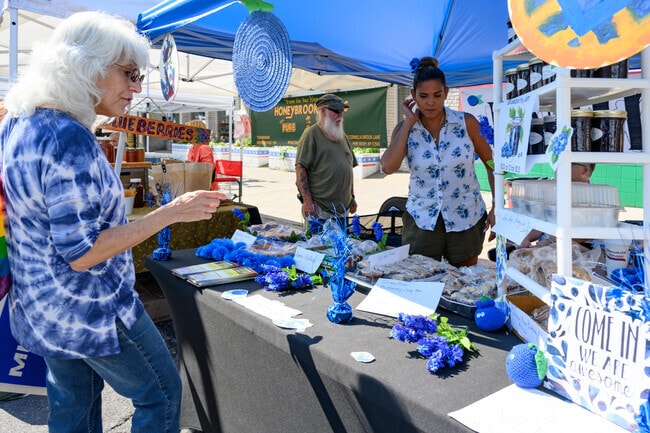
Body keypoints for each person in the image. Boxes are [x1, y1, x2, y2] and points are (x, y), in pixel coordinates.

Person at [0, 11, 228, 433]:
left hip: (42, 307)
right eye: (129, 72)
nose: (138, 86)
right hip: (92, 309)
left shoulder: (18, 122)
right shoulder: (67, 137)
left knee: (73, 409)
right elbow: (83, 253)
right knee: (160, 395)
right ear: (85, 65)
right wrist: (171, 212)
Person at [381, 57, 496, 268]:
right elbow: (388, 167)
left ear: (446, 93)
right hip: (422, 220)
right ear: (413, 95)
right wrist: (409, 123)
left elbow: (492, 165)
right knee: (422, 280)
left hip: (466, 217)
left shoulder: (467, 123)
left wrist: (498, 206)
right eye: (423, 96)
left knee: (464, 281)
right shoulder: (404, 129)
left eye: (437, 95)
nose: (430, 102)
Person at [295, 93, 358, 225]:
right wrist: (307, 201)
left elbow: (348, 169)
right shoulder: (311, 135)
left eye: (342, 111)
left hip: (343, 209)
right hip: (320, 209)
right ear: (323, 111)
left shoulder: (342, 137)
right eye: (336, 111)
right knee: (317, 245)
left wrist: (352, 198)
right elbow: (300, 170)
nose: (340, 115)